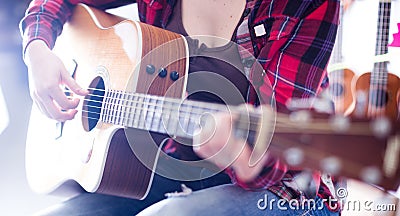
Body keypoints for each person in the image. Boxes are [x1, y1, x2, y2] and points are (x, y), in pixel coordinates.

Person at [20, 0, 341, 215]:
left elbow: (278, 157)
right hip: (167, 161)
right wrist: (36, 49)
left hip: (289, 190)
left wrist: (246, 160)